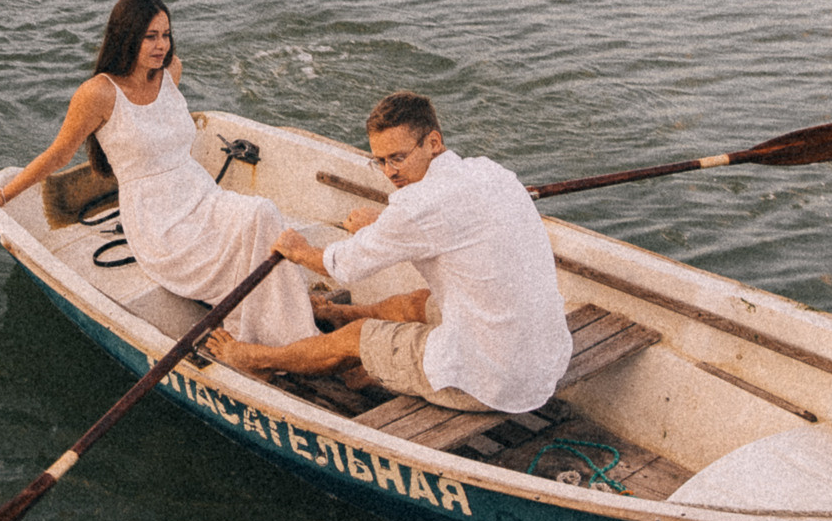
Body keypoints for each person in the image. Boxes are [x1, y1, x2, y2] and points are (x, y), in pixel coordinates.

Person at [0, 0, 320, 348]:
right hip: (158, 221)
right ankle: (287, 341)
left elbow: (163, 130)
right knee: (258, 219)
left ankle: (286, 335)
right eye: (150, 36)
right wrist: (3, 193)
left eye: (165, 34)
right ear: (126, 36)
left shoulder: (171, 71)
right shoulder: (98, 93)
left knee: (262, 215)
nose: (161, 45)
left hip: (201, 195)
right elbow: (60, 154)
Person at [205, 90, 573, 414]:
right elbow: (439, 226)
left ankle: (259, 358)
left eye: (397, 158)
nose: (389, 172)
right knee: (420, 302)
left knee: (359, 336)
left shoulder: (418, 205)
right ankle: (337, 313)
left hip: (491, 385)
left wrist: (299, 251)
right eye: (379, 160)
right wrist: (382, 223)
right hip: (546, 362)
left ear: (433, 142)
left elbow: (342, 267)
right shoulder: (491, 173)